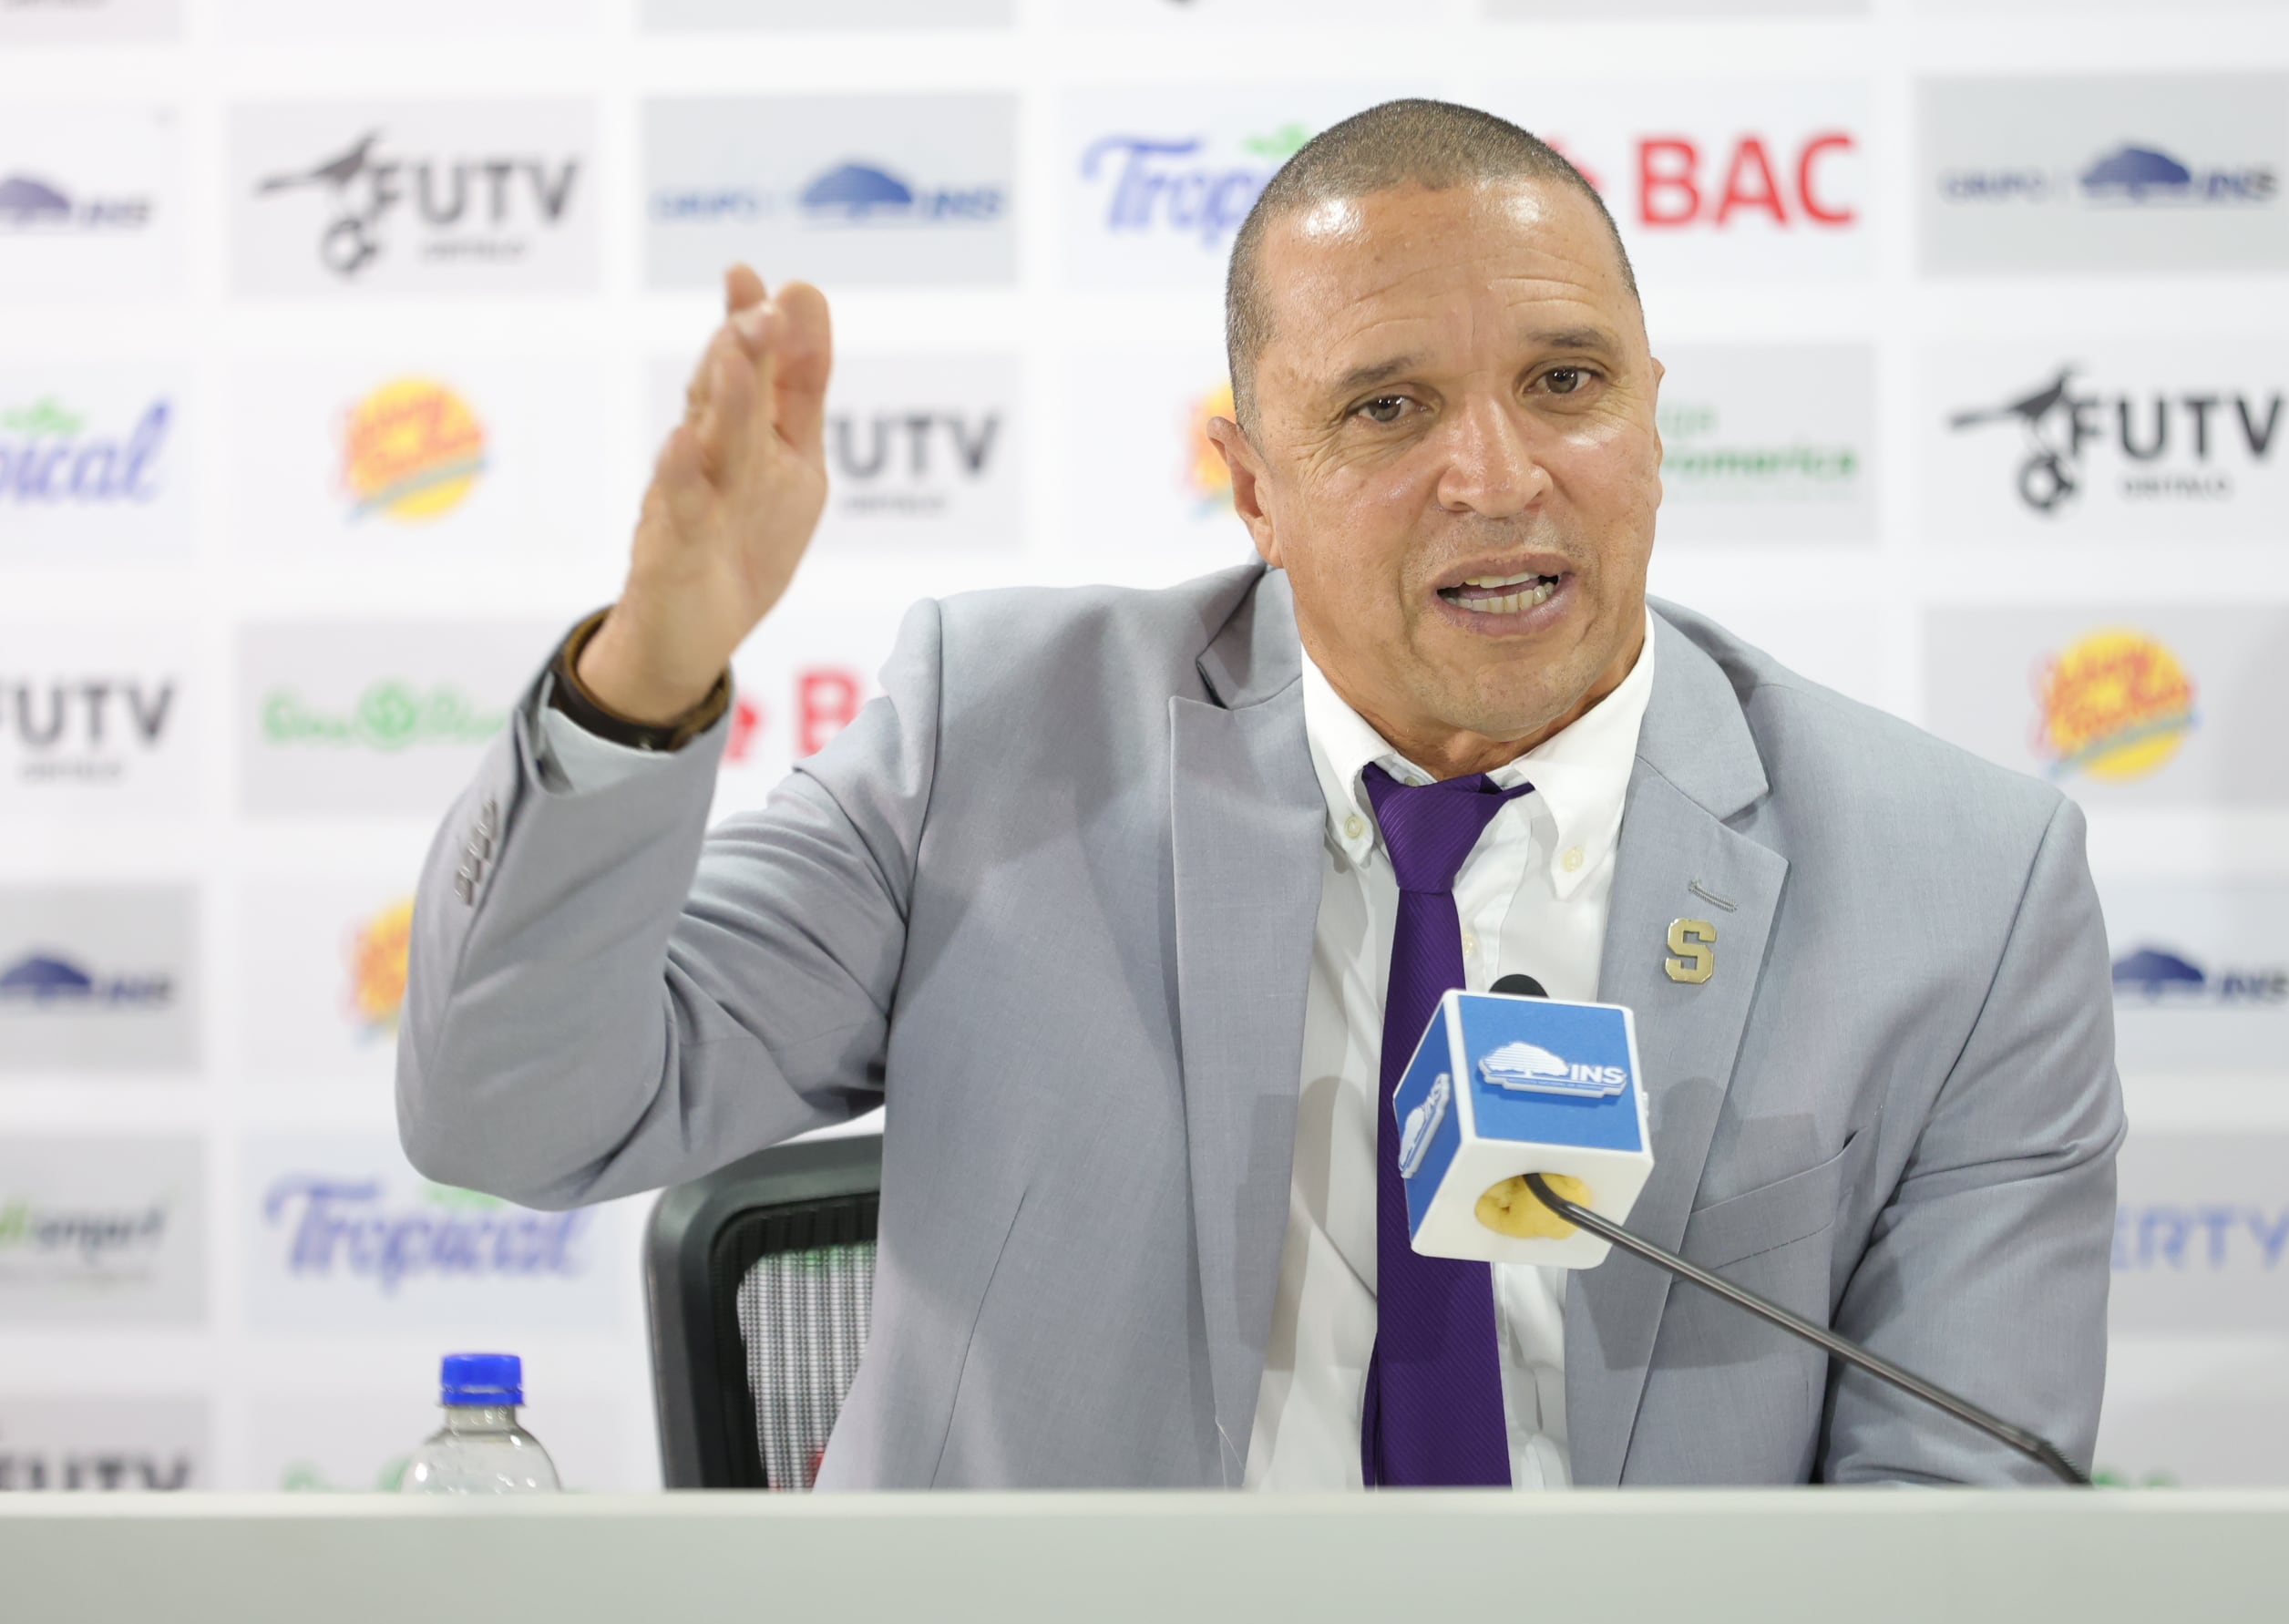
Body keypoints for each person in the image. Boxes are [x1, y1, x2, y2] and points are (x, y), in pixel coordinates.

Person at [398, 98, 2122, 1489]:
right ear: (1254, 487)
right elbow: (513, 1115)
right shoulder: (990, 747)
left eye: (1567, 384)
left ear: (1654, 420)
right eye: (1388, 409)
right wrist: (642, 679)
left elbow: (1962, 1521)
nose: (1499, 476)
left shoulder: (1962, 894)